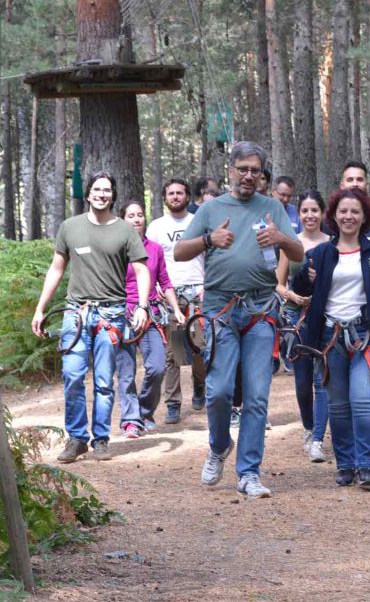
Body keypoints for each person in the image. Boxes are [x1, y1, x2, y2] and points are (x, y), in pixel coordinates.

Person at [175, 141, 304, 498]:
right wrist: (209, 239)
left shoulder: (272, 207)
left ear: (262, 175)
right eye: (242, 169)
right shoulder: (210, 209)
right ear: (230, 171)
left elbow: (298, 253)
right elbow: (179, 252)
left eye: (255, 170)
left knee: (257, 396)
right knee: (218, 391)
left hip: (260, 311)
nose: (248, 176)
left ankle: (249, 472)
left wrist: (280, 237)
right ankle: (219, 445)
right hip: (221, 310)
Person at [31, 172, 150, 462]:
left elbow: (142, 270)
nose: (101, 194)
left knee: (104, 381)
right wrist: (40, 307)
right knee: (72, 375)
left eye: (107, 190)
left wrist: (143, 306)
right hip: (76, 313)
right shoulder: (70, 227)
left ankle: (101, 439)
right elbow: (56, 269)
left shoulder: (125, 230)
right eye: (97, 189)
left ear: (113, 195)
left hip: (111, 314)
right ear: (88, 194)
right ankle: (76, 438)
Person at [291, 188, 370, 489]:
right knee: (338, 405)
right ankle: (345, 465)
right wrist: (304, 277)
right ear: (334, 215)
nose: (349, 216)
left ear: (365, 216)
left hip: (366, 335)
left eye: (355, 211)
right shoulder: (319, 254)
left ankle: (367, 466)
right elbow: (300, 287)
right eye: (343, 211)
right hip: (329, 337)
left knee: (364, 400)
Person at [116, 200, 185, 437]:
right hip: (122, 314)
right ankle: (130, 420)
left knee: (157, 367)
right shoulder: (115, 249)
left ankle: (144, 412)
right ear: (122, 220)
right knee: (126, 372)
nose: (136, 219)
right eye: (131, 216)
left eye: (139, 215)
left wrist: (176, 309)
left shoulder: (154, 249)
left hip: (151, 314)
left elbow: (165, 281)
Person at [145, 178, 207, 426]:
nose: (175, 196)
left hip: (198, 291)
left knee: (200, 347)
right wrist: (157, 287)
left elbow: (211, 256)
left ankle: (200, 386)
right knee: (172, 353)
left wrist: (207, 284)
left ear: (187, 196)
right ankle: (173, 403)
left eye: (180, 193)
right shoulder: (156, 227)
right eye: (171, 193)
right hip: (170, 295)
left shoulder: (198, 222)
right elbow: (150, 261)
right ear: (165, 197)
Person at [276, 190, 331, 462]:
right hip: (296, 319)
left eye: (314, 210)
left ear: (323, 213)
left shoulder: (332, 243)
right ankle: (308, 428)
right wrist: (293, 296)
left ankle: (318, 438)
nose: (310, 215)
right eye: (305, 211)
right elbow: (278, 283)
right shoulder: (291, 244)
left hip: (325, 318)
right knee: (302, 382)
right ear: (299, 214)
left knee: (322, 380)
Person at [336, 161, 370, 423]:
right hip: (336, 319)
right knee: (338, 397)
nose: (355, 183)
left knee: (365, 390)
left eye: (359, 179)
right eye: (350, 179)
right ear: (341, 184)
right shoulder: (333, 223)